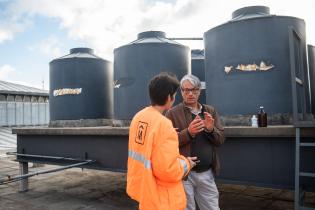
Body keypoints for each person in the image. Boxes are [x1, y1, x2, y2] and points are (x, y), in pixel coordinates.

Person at [127, 72, 197, 210]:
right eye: (175, 95)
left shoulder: (138, 117)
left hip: (145, 192)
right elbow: (168, 171)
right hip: (163, 200)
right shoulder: (163, 124)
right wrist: (187, 163)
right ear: (169, 97)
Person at [165, 74, 225, 210]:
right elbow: (167, 144)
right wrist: (189, 133)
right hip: (183, 175)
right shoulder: (172, 113)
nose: (190, 93)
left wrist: (210, 130)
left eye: (194, 90)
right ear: (181, 92)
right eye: (186, 90)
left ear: (200, 91)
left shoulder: (210, 111)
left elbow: (220, 140)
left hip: (206, 173)